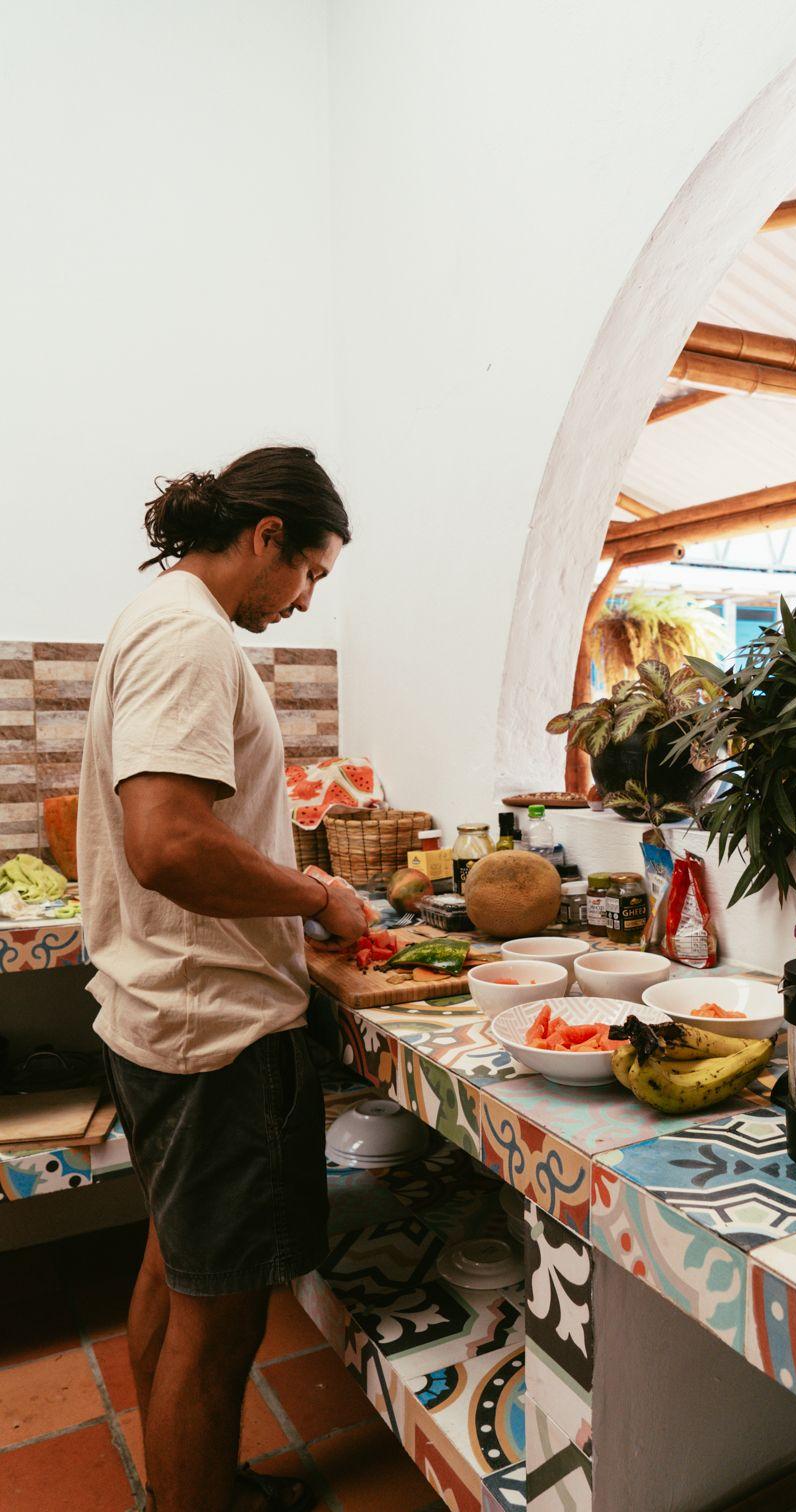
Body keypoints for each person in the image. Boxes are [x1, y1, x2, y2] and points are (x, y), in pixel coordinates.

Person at [78, 446, 368, 1512]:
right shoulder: (194, 638)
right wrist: (317, 898)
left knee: (177, 1265)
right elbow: (168, 843)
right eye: (311, 575)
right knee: (223, 1315)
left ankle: (189, 1487)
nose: (304, 600)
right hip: (215, 1035)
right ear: (267, 538)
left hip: (162, 1016)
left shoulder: (157, 618)